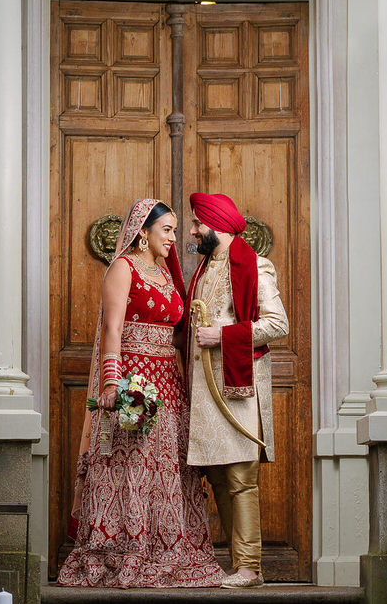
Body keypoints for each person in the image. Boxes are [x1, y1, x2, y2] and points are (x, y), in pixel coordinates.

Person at [57, 199, 224, 588]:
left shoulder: (166, 273)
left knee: (170, 465)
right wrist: (112, 382)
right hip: (135, 379)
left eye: (175, 229)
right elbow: (112, 329)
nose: (173, 237)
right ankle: (124, 550)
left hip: (168, 379)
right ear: (142, 230)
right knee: (132, 464)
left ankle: (168, 549)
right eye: (166, 229)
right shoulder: (123, 267)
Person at [186, 191, 290, 589]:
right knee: (216, 476)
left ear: (219, 225)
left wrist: (223, 336)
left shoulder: (256, 266)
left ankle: (250, 567)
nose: (193, 231)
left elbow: (278, 324)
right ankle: (237, 564)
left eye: (198, 223)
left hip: (237, 387)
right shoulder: (203, 269)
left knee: (240, 476)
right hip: (205, 390)